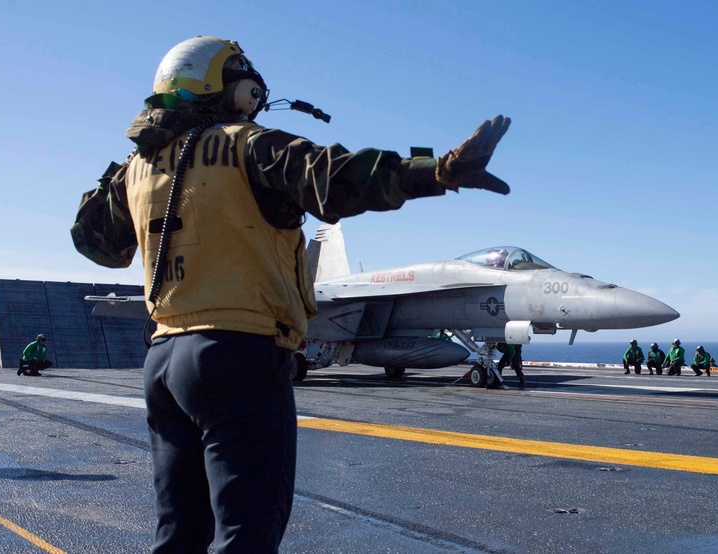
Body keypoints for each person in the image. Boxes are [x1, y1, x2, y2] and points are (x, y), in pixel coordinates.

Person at [70, 36, 512, 553]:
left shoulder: (137, 168)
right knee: (247, 535)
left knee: (179, 533)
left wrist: (131, 164)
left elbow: (95, 244)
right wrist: (438, 171)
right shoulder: (248, 143)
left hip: (164, 362)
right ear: (230, 88)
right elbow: (339, 175)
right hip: (239, 356)